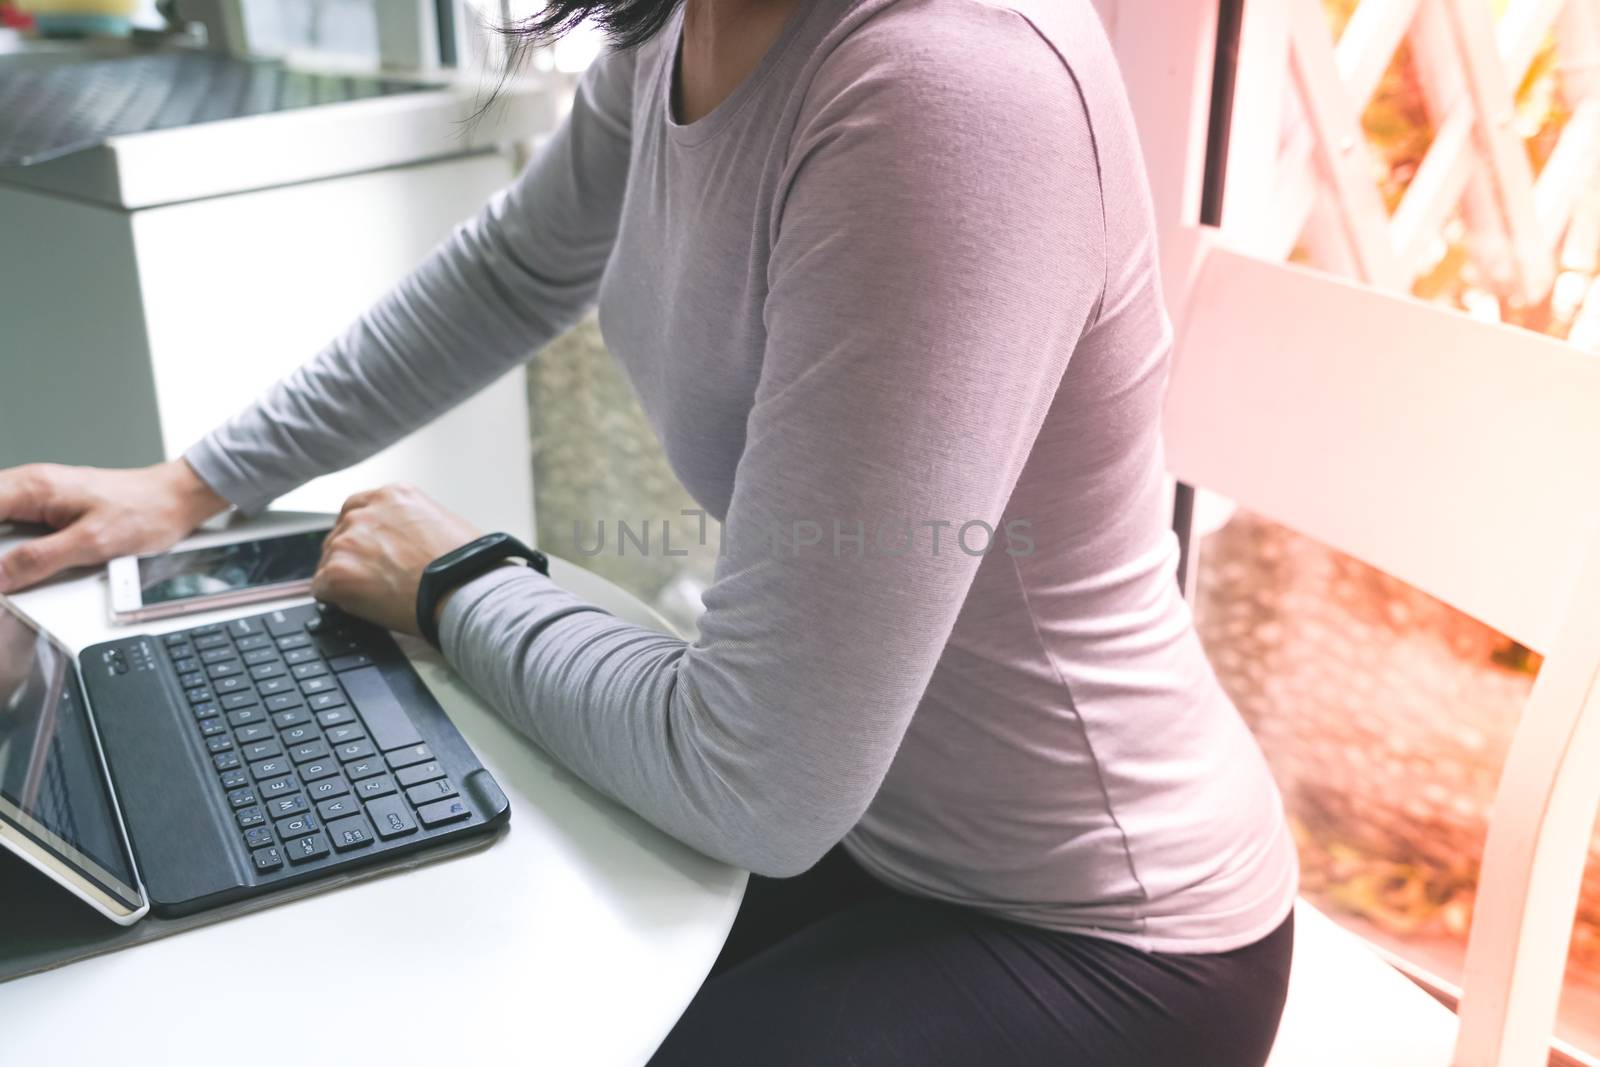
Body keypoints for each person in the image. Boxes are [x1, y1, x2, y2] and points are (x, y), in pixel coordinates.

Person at [0, 0, 1298, 1062]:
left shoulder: (952, 90)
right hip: (867, 819)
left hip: (1102, 929)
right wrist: (191, 481)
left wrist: (456, 583)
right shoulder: (678, 24)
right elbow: (516, 268)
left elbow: (757, 781)